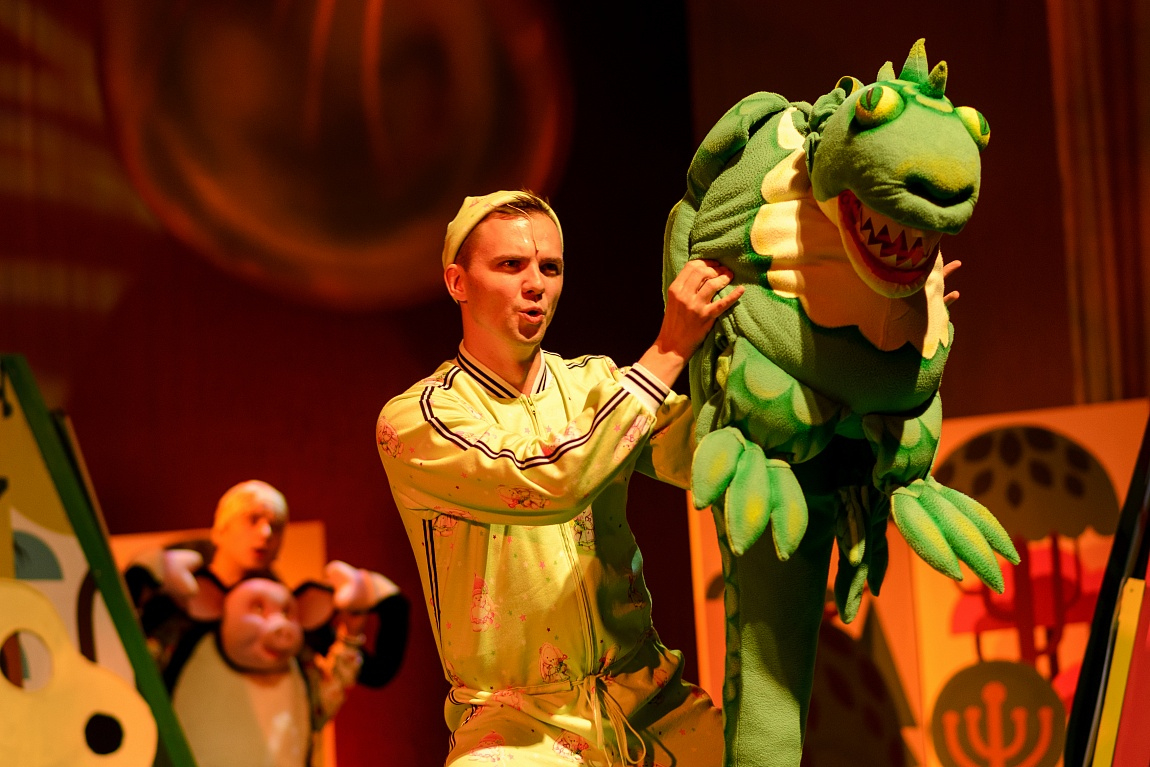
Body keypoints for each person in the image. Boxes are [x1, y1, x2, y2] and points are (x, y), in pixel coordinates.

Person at [376, 190, 743, 765]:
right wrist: (670, 350)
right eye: (510, 265)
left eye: (550, 268)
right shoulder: (416, 419)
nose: (536, 284)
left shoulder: (595, 383)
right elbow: (550, 480)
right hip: (516, 727)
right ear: (457, 282)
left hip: (649, 701)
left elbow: (712, 455)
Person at [124, 481, 410, 744]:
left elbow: (360, 680)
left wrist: (355, 629)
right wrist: (143, 577)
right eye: (253, 519)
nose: (265, 534)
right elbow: (128, 663)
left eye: (276, 526)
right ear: (220, 529)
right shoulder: (179, 602)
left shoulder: (290, 617)